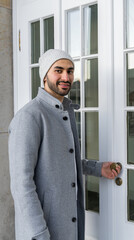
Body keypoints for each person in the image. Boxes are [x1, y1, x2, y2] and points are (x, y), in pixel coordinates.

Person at [8, 49, 121, 240]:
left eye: (70, 71)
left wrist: (97, 168)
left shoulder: (65, 111)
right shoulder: (29, 117)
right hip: (44, 232)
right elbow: (21, 184)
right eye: (58, 70)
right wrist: (39, 234)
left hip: (69, 227)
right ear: (45, 76)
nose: (65, 76)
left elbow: (61, 161)